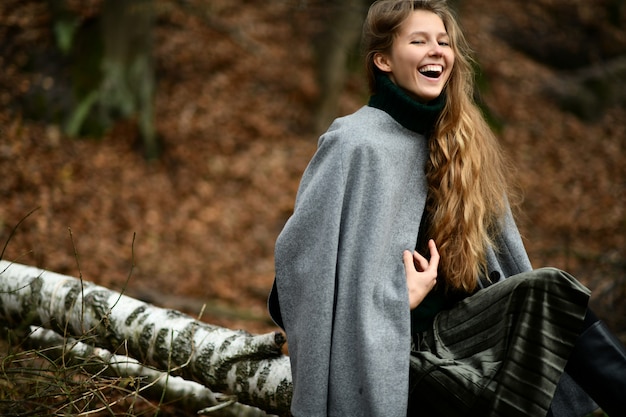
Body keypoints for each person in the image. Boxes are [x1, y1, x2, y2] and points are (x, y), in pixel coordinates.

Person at [268, 0, 626, 416]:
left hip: (459, 339)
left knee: (554, 291)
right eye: (419, 41)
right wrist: (395, 301)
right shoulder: (354, 144)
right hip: (392, 354)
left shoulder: (462, 142)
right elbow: (290, 290)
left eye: (444, 41)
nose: (437, 50)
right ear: (383, 60)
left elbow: (501, 270)